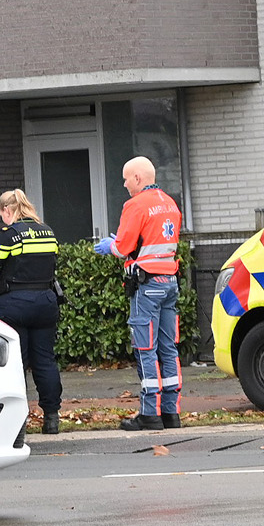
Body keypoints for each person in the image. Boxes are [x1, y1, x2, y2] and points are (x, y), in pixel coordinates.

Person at [95, 156, 184, 431]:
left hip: (147, 287)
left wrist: (110, 244)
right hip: (170, 282)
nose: (123, 184)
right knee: (169, 348)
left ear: (137, 178)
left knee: (146, 348)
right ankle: (171, 413)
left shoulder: (135, 205)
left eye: (125, 178)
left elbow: (123, 248)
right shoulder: (169, 202)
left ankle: (149, 413)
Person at [0, 189, 63, 434]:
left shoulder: (9, 235)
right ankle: (52, 418)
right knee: (45, 361)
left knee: (15, 365)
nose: (2, 220)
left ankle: (17, 424)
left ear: (8, 210)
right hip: (46, 303)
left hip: (14, 306)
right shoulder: (48, 231)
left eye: (1, 214)